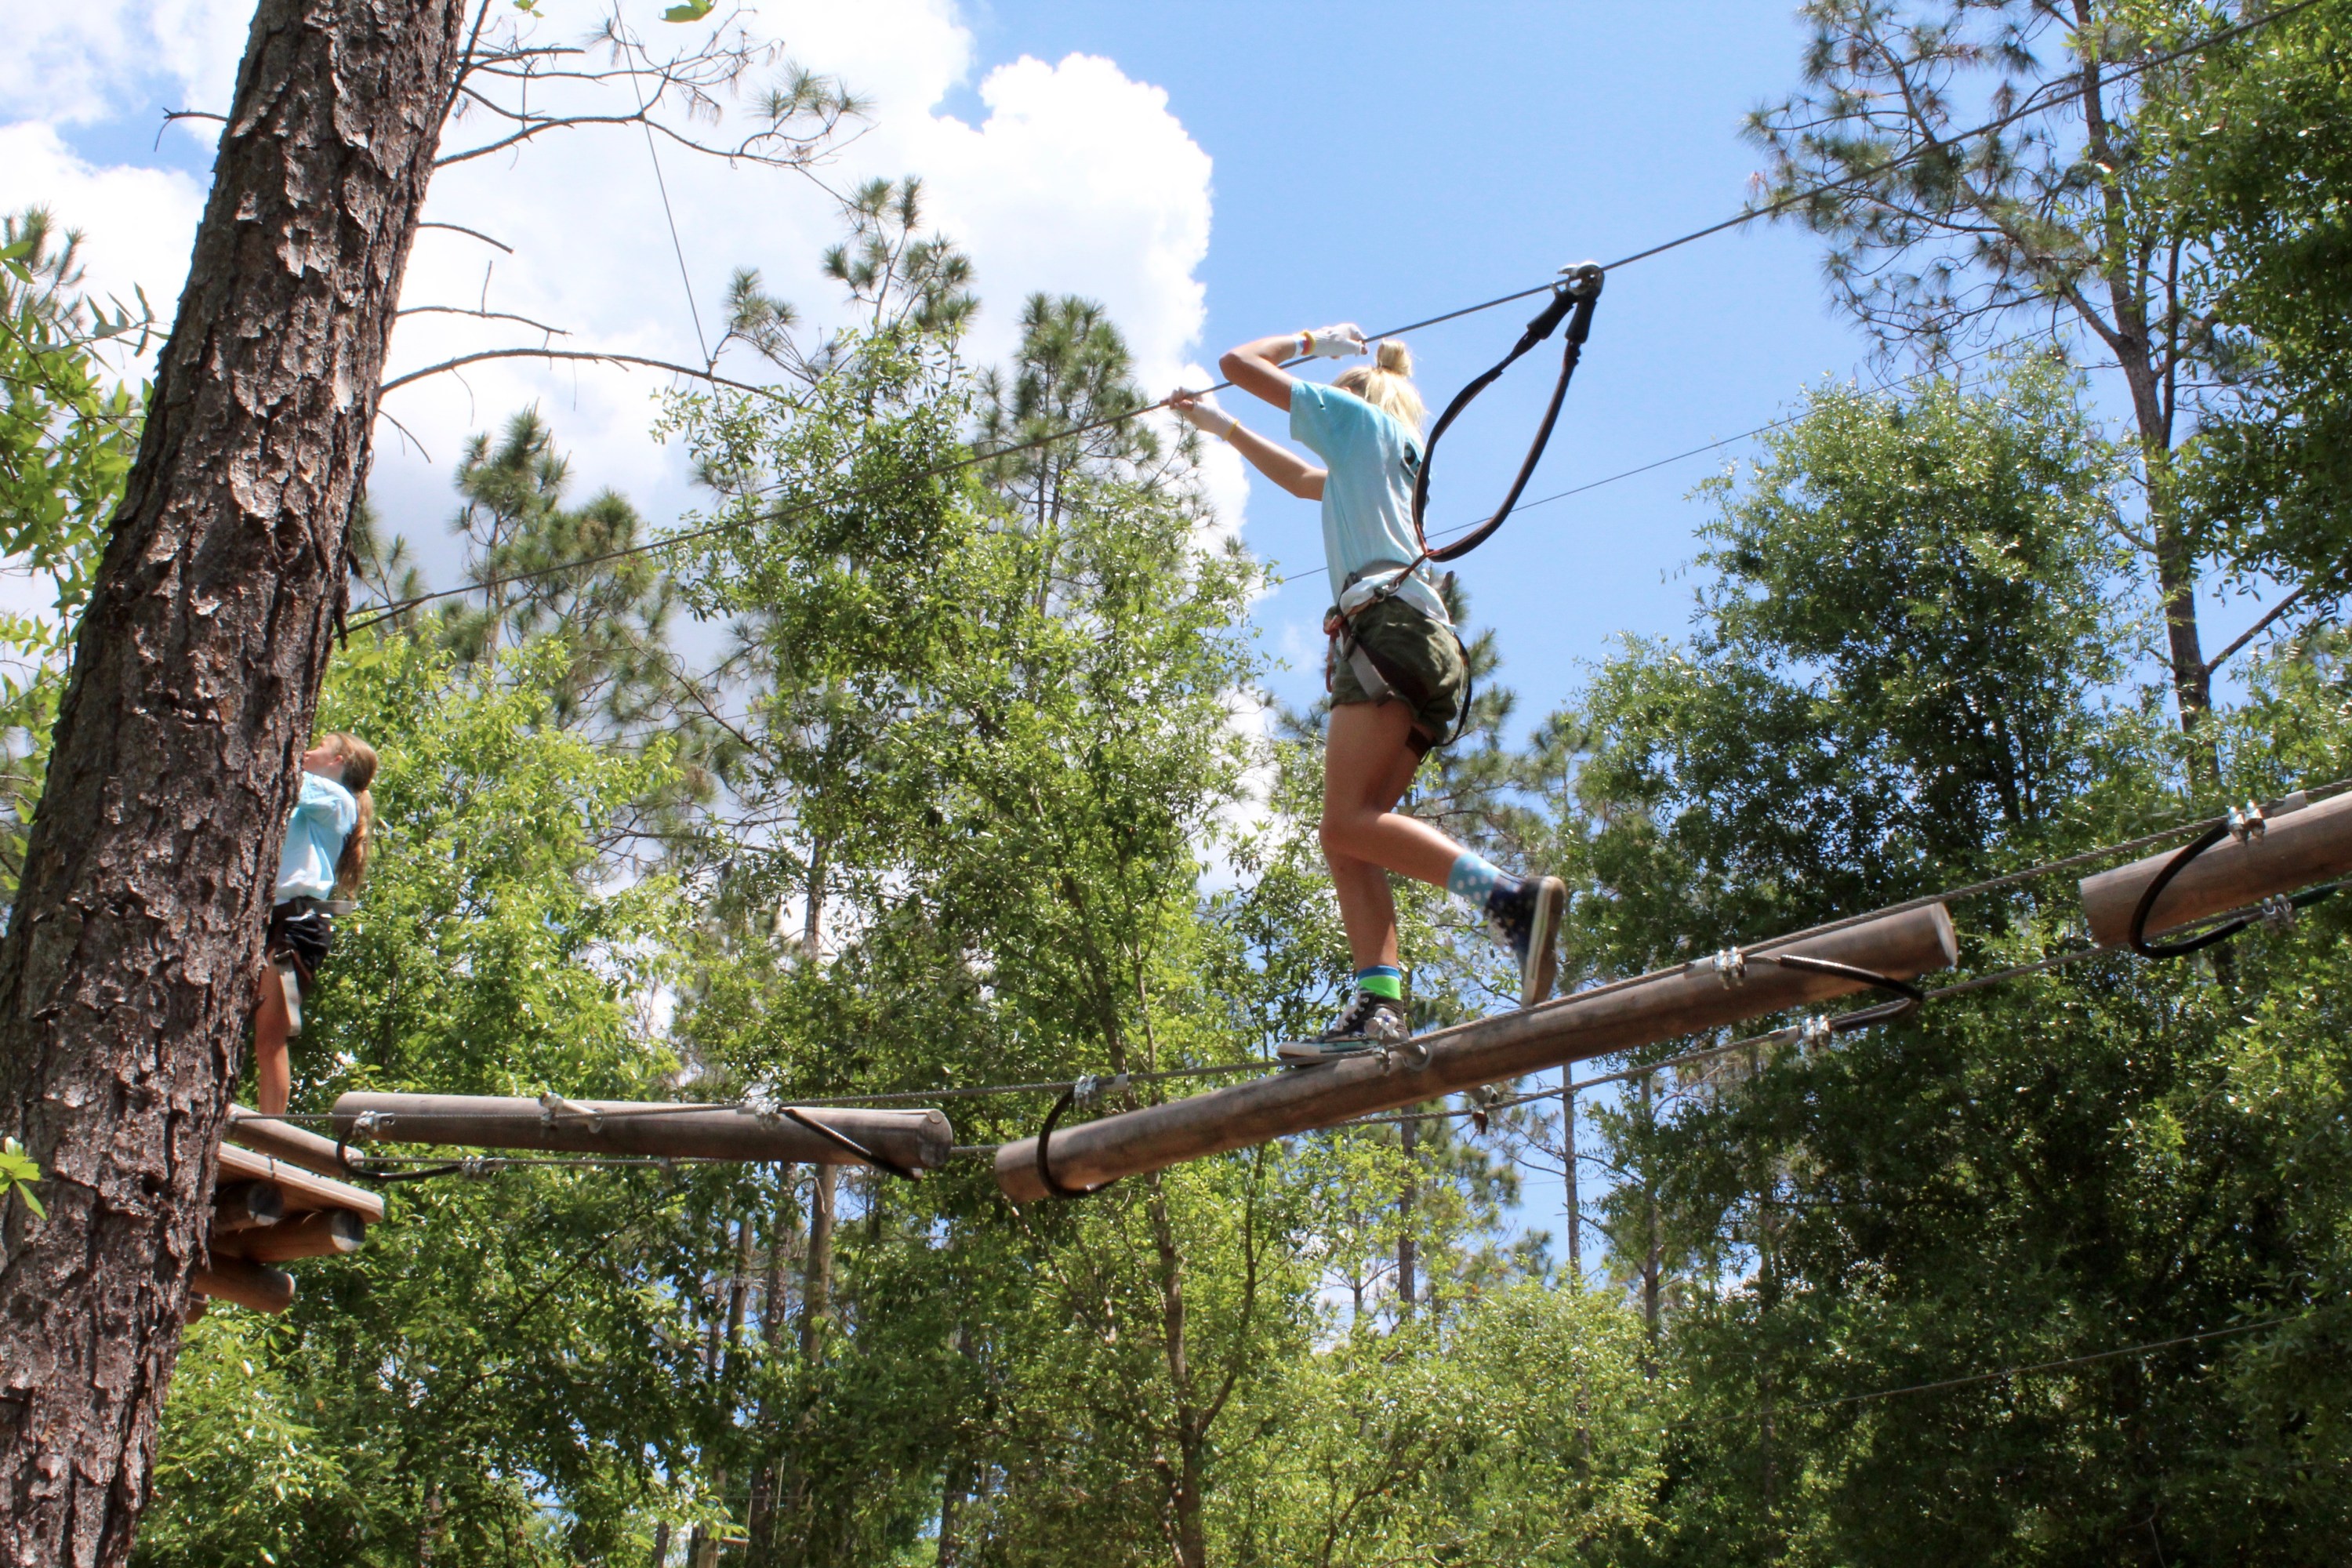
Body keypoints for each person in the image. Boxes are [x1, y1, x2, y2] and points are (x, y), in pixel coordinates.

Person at [1173, 325, 1565, 1064]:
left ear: (1339, 405)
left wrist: (1317, 342)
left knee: (1347, 820)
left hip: (1385, 633)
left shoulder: (1356, 422)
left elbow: (1238, 363)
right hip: (1427, 647)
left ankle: (1505, 896)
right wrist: (1218, 424)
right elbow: (1299, 480)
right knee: (1349, 830)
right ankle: (1378, 1008)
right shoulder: (1394, 464)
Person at [250, 733, 376, 1116]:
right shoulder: (310, 803)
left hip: (295, 926)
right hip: (271, 919)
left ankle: (272, 1137)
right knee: (256, 1035)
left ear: (338, 760)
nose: (306, 751)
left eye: (317, 745)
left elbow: (282, 775)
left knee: (270, 1037)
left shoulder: (337, 801)